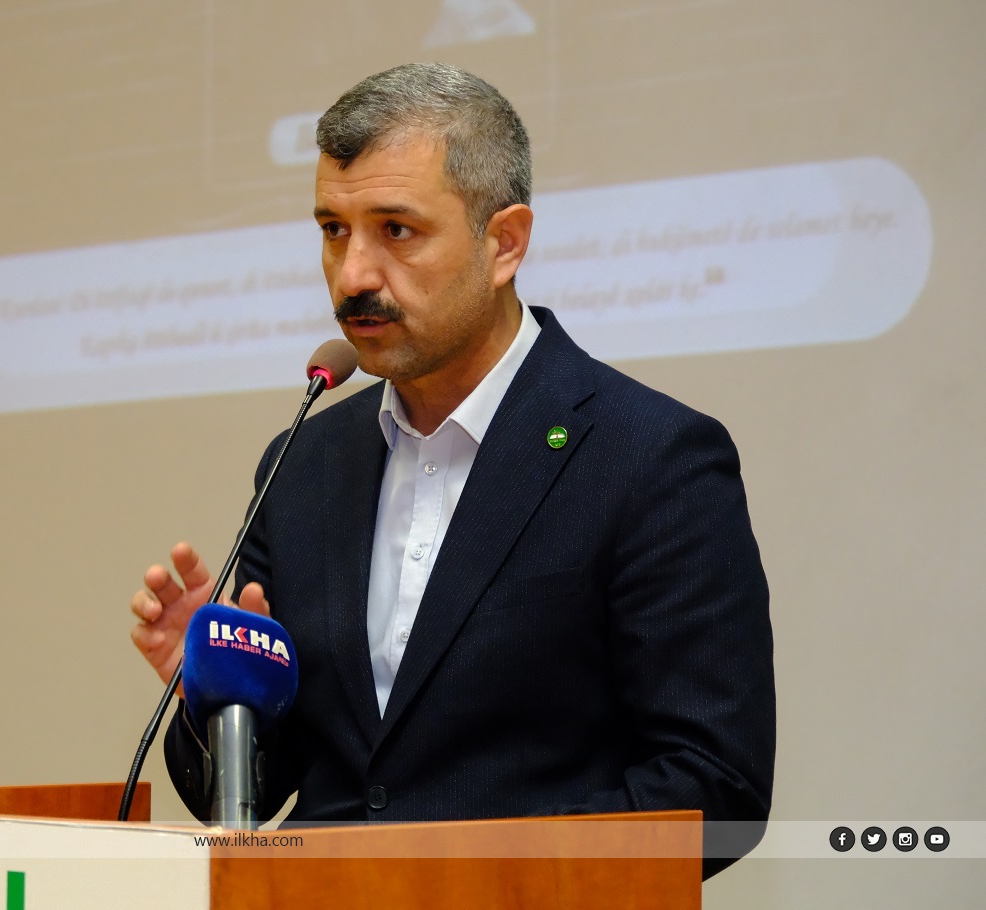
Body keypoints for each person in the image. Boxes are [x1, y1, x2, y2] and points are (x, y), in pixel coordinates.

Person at [130, 63, 775, 876]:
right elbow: (253, 795)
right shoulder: (303, 466)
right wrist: (218, 695)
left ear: (504, 243)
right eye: (333, 230)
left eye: (396, 230)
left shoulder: (650, 458)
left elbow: (715, 789)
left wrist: (456, 879)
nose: (353, 276)